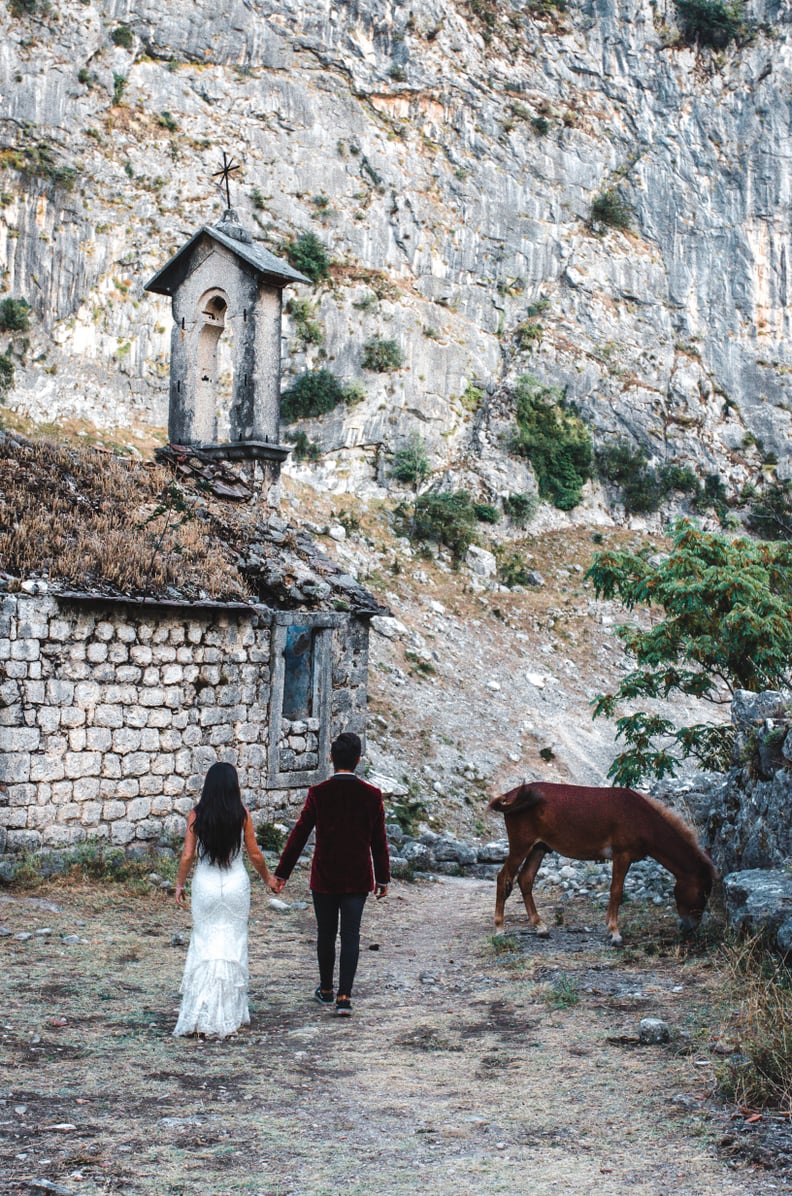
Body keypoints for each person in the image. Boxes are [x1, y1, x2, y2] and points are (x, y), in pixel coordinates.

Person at [272, 731, 390, 1017]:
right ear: (359, 760)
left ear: (330, 758)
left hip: (324, 876)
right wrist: (383, 877)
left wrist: (282, 873)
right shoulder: (372, 795)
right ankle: (344, 997)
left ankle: (325, 989)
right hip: (358, 877)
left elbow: (299, 835)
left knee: (326, 934)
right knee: (351, 935)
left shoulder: (318, 793)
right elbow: (379, 840)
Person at [173, 761, 278, 1039]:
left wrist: (180, 884)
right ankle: (230, 1013)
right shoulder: (242, 814)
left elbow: (187, 856)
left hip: (206, 884)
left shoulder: (196, 814)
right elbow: (254, 854)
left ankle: (200, 1014)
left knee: (205, 942)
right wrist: (267, 877)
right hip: (234, 884)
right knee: (233, 943)